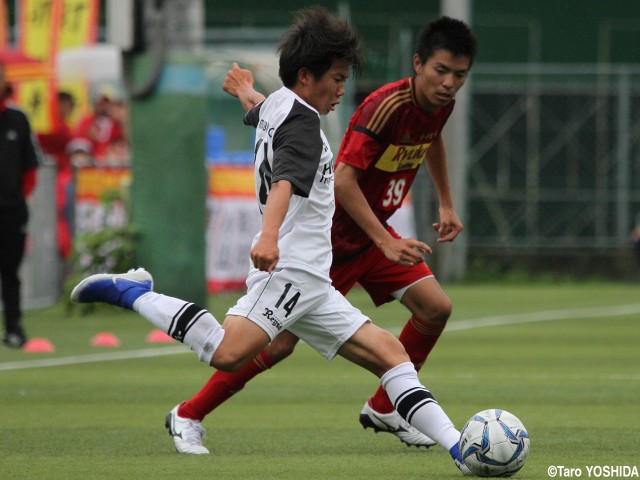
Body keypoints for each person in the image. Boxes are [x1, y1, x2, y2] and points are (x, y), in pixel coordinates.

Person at [70, 7, 471, 475]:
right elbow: (285, 181)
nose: (342, 88)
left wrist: (244, 90)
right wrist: (267, 236)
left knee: (392, 356)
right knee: (228, 352)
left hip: (314, 283)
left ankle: (461, 450)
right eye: (337, 78)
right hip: (287, 274)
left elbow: (262, 113)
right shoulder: (306, 127)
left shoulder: (282, 104)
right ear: (307, 75)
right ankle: (134, 292)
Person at [167, 16, 477, 453]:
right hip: (336, 243)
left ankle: (387, 406)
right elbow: (343, 179)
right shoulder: (381, 107)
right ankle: (189, 412)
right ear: (418, 64)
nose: (448, 83)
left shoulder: (437, 105)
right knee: (275, 346)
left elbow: (432, 138)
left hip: (374, 236)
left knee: (435, 308)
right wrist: (381, 241)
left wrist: (445, 202)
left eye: (459, 75)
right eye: (440, 71)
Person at [0, 61, 41, 348]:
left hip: (11, 211)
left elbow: (30, 168)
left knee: (10, 272)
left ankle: (14, 328)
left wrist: (20, 199)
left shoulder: (17, 119)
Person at [37, 91, 76, 259]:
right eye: (63, 104)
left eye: (69, 105)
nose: (66, 109)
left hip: (61, 181)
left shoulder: (63, 127)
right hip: (46, 183)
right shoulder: (50, 126)